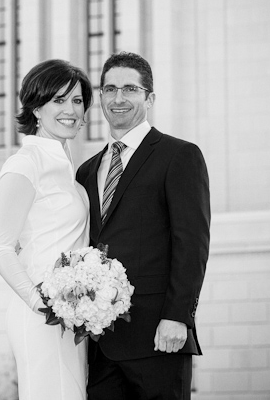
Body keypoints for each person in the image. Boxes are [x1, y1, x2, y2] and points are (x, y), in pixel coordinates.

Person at [76, 51, 210, 399]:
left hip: (158, 336)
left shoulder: (178, 156)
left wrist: (179, 317)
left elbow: (191, 243)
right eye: (109, 89)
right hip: (101, 344)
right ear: (101, 97)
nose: (118, 98)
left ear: (149, 97)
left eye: (130, 89)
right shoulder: (86, 171)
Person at [0, 59, 93, 399]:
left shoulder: (65, 165)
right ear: (36, 108)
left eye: (77, 100)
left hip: (72, 317)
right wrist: (42, 304)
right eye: (59, 100)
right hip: (43, 316)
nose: (71, 109)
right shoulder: (25, 164)